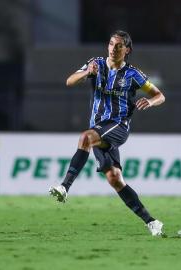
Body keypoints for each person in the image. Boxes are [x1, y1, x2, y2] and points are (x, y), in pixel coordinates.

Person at [48, 30, 166, 236]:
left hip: (118, 126)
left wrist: (150, 101)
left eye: (119, 46)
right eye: (111, 44)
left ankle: (65, 187)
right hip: (99, 128)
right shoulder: (96, 64)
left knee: (85, 137)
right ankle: (152, 222)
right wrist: (87, 73)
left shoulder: (133, 74)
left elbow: (159, 95)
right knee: (114, 178)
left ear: (127, 50)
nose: (113, 49)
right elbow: (69, 81)